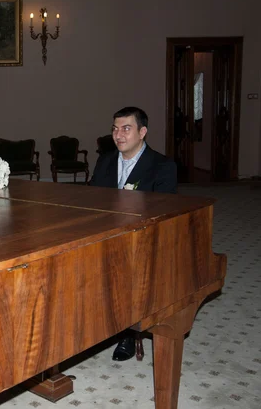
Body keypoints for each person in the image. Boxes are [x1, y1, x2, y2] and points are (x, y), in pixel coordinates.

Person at [90, 106, 177, 361]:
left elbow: (164, 212)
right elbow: (93, 202)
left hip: (143, 239)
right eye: (115, 129)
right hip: (106, 233)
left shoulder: (162, 166)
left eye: (126, 128)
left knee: (128, 268)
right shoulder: (105, 161)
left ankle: (128, 331)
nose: (118, 135)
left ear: (143, 132)